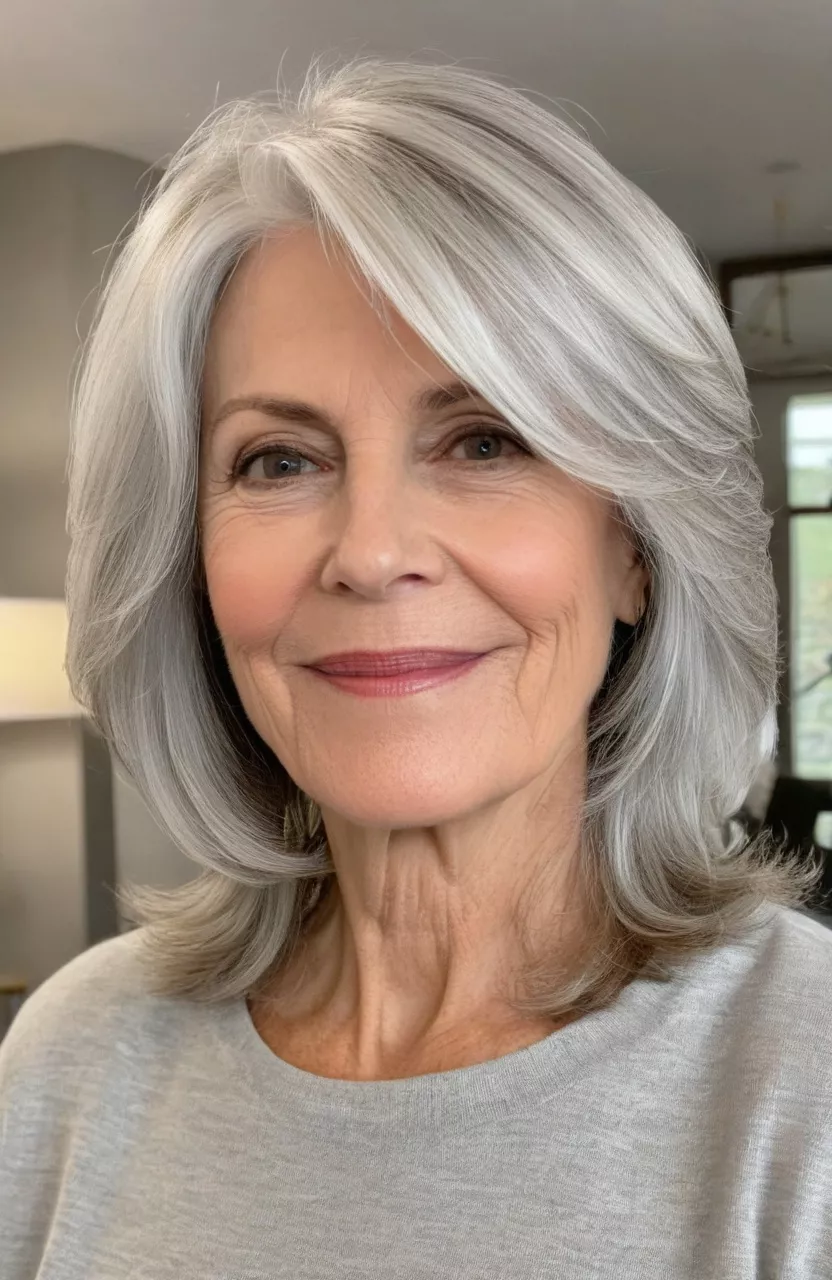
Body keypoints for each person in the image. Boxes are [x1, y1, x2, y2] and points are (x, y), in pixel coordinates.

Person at [1, 57, 830, 1279]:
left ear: (637, 549)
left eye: (485, 438)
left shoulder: (802, 1081)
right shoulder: (72, 1059)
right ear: (188, 558)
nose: (373, 552)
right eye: (278, 461)